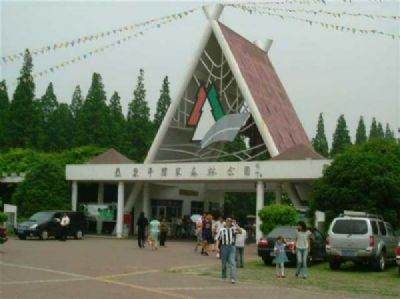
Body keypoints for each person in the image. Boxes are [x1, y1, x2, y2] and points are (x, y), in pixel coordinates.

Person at [216, 218, 241, 284]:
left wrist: (235, 225)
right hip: (224, 247)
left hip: (232, 247)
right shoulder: (222, 230)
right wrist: (217, 247)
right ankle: (224, 276)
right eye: (228, 221)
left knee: (232, 262)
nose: (229, 223)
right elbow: (218, 239)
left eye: (230, 222)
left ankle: (233, 278)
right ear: (226, 222)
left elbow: (240, 231)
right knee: (224, 264)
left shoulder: (233, 229)